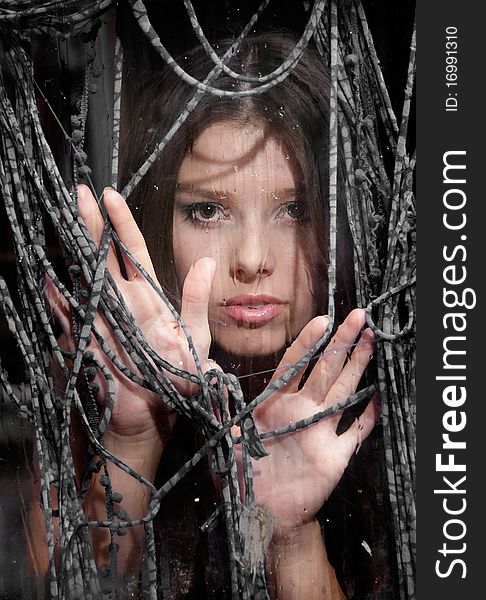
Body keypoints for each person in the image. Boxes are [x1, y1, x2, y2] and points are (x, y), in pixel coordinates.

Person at [45, 33, 379, 599]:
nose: (252, 259)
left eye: (294, 210)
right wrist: (135, 436)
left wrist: (290, 536)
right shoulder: (86, 400)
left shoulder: (415, 428)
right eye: (207, 210)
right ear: (159, 221)